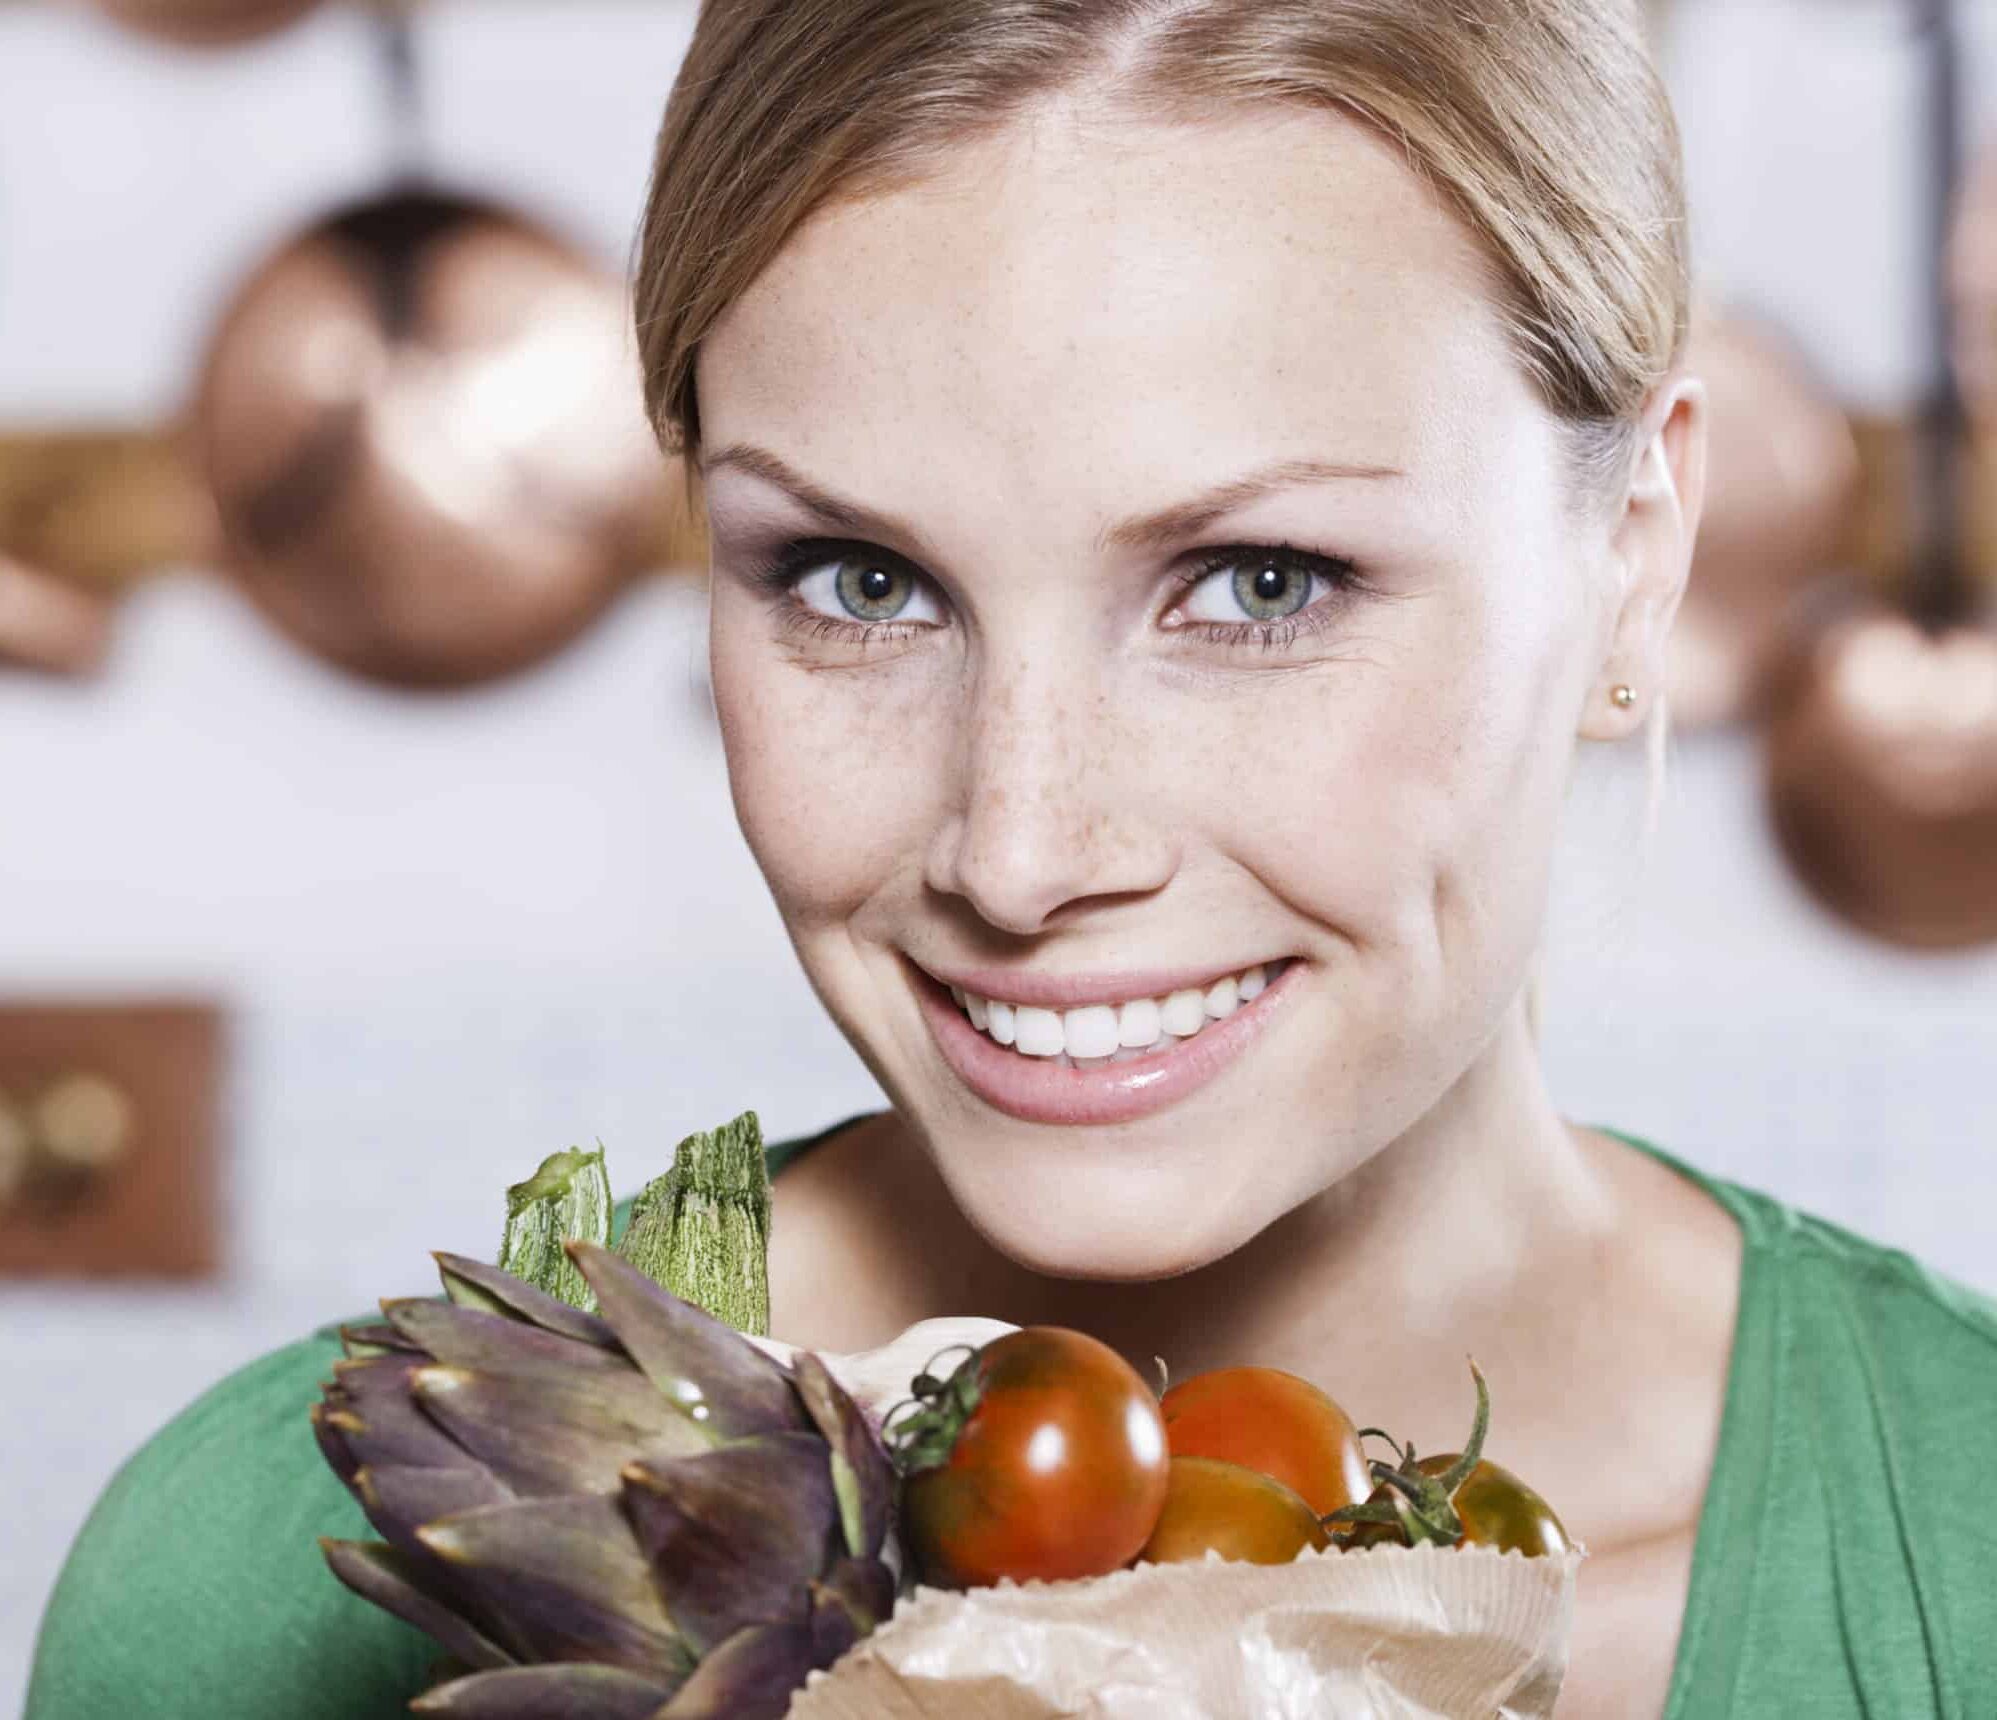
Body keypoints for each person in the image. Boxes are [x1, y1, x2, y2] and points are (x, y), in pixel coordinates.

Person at [29, 2, 1997, 1716]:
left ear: (1638, 552)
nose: (1022, 845)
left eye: (1259, 581)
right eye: (859, 578)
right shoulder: (268, 1584)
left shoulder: (1958, 1558)